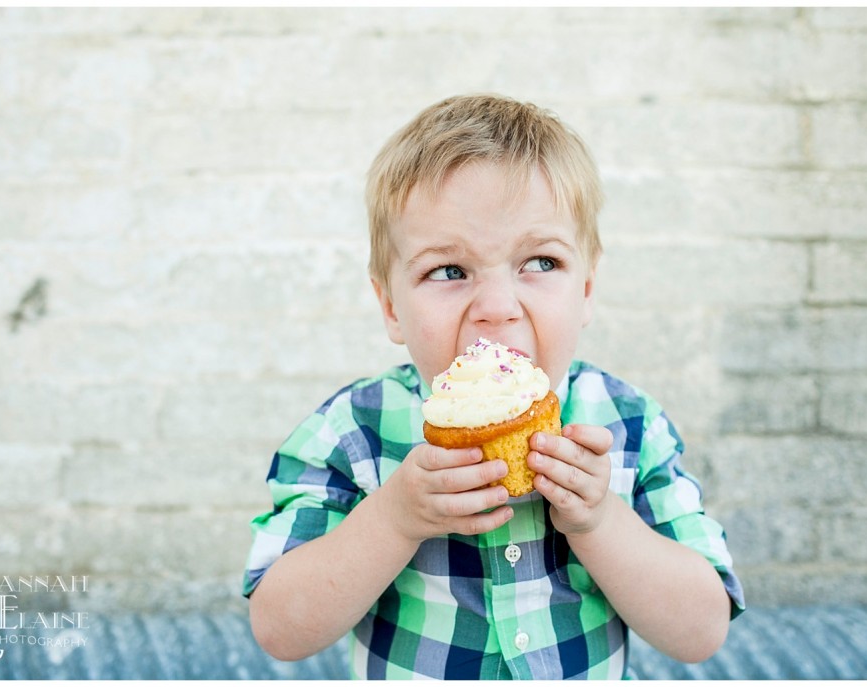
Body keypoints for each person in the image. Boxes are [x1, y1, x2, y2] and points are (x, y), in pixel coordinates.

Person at [243, 94, 744, 680]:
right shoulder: (352, 431)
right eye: (449, 272)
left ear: (585, 289)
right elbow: (280, 629)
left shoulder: (629, 425)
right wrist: (394, 519)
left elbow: (701, 631)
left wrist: (601, 522)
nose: (498, 308)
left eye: (539, 262)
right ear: (391, 308)